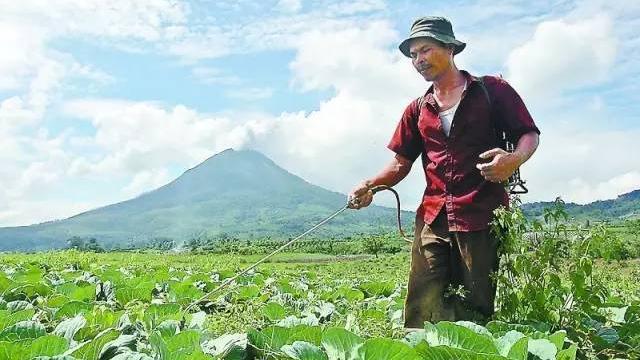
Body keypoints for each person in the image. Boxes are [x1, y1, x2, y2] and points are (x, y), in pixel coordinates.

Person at [348, 16, 540, 328]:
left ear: (450, 48)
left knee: (474, 305)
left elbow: (528, 134)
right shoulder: (417, 109)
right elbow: (400, 163)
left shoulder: (492, 90)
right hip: (433, 215)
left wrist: (513, 159)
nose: (419, 60)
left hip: (481, 213)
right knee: (421, 303)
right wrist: (369, 185)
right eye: (413, 55)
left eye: (425, 49)